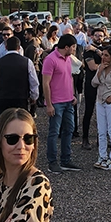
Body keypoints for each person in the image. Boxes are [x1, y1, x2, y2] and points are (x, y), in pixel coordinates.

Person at [42, 34, 81, 173]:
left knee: (69, 130)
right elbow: (45, 83)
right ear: (67, 47)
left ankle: (66, 160)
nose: (74, 50)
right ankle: (52, 162)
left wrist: (72, 95)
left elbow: (69, 78)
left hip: (68, 101)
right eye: (73, 47)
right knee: (54, 132)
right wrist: (49, 104)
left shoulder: (68, 59)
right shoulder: (50, 60)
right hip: (56, 103)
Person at [0, 36, 39, 121]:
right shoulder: (27, 62)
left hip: (3, 97)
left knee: (2, 124)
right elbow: (34, 82)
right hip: (21, 98)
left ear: (6, 47)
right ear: (19, 48)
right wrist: (34, 96)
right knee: (19, 123)